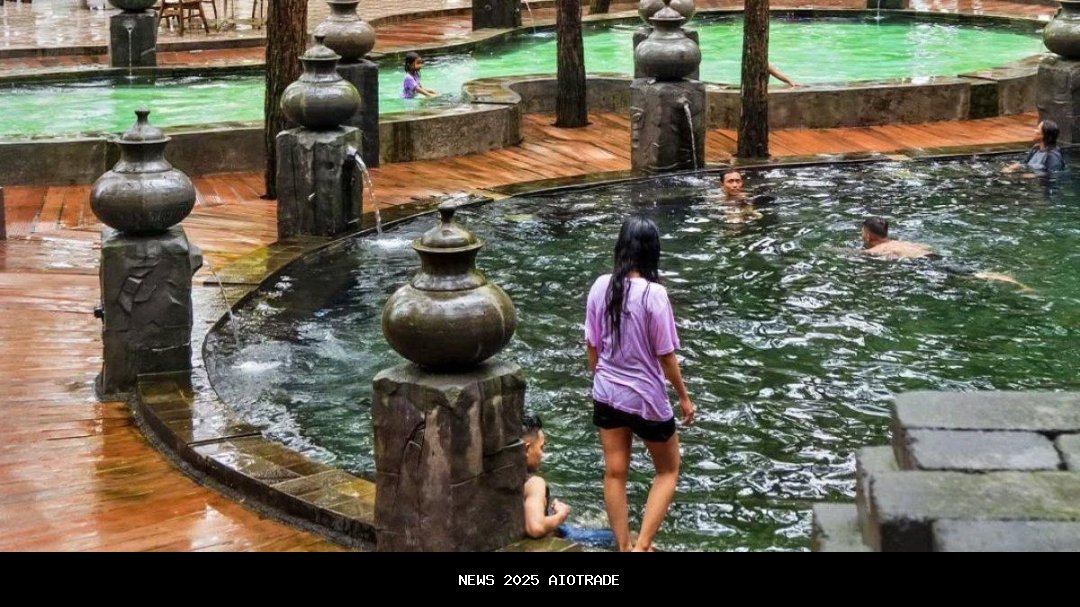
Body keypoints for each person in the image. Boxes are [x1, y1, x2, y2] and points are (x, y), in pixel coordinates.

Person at [585, 215, 695, 552]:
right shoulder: (654, 295)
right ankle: (642, 546)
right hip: (645, 399)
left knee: (615, 472)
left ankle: (622, 545)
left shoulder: (601, 285)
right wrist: (684, 398)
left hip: (607, 393)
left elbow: (592, 345)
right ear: (652, 253)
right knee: (668, 470)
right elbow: (666, 356)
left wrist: (599, 378)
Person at [860, 216, 1029, 288]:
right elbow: (927, 247)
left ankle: (1013, 283)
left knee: (973, 277)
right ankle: (1009, 280)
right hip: (933, 257)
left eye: (862, 231)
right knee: (973, 274)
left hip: (927, 263)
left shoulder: (878, 249)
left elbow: (856, 255)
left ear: (867, 234)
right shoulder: (900, 242)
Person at [522, 415, 571, 539]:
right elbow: (535, 527)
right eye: (541, 447)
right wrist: (562, 514)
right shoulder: (534, 483)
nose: (542, 454)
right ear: (526, 449)